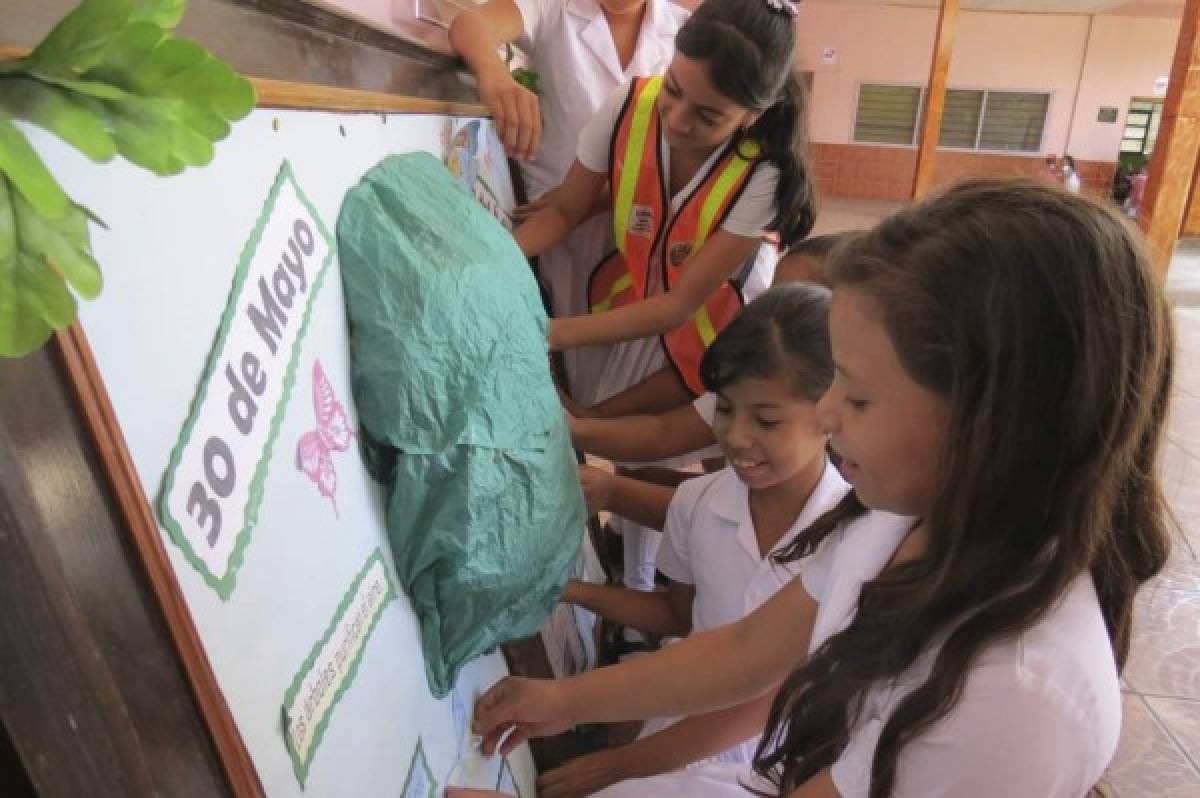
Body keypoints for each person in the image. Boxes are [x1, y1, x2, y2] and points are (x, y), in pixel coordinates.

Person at [459, 179, 1174, 798]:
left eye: (858, 399)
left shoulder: (1011, 688)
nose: (827, 419)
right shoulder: (898, 522)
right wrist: (561, 698)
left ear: (990, 422)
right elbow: (743, 653)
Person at [515, 0, 815, 595]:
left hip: (713, 334)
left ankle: (654, 582)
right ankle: (642, 573)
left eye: (708, 116)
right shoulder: (630, 103)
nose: (676, 119)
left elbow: (682, 307)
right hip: (640, 311)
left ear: (751, 117)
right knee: (601, 422)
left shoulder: (763, 175)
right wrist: (503, 263)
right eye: (674, 89)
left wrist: (545, 331)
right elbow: (567, 209)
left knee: (652, 450)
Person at [543, 283, 848, 797]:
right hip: (675, 734)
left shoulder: (854, 536)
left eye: (767, 420)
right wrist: (571, 591)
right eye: (725, 410)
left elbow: (772, 695)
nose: (737, 437)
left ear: (833, 413)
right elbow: (677, 616)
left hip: (786, 763)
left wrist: (620, 765)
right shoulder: (699, 504)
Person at [448, 0, 689, 403]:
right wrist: (493, 74)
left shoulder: (686, 32)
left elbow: (688, 155)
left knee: (642, 390)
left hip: (644, 238)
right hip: (553, 234)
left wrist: (593, 196)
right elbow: (470, 23)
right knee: (563, 385)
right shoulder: (552, 8)